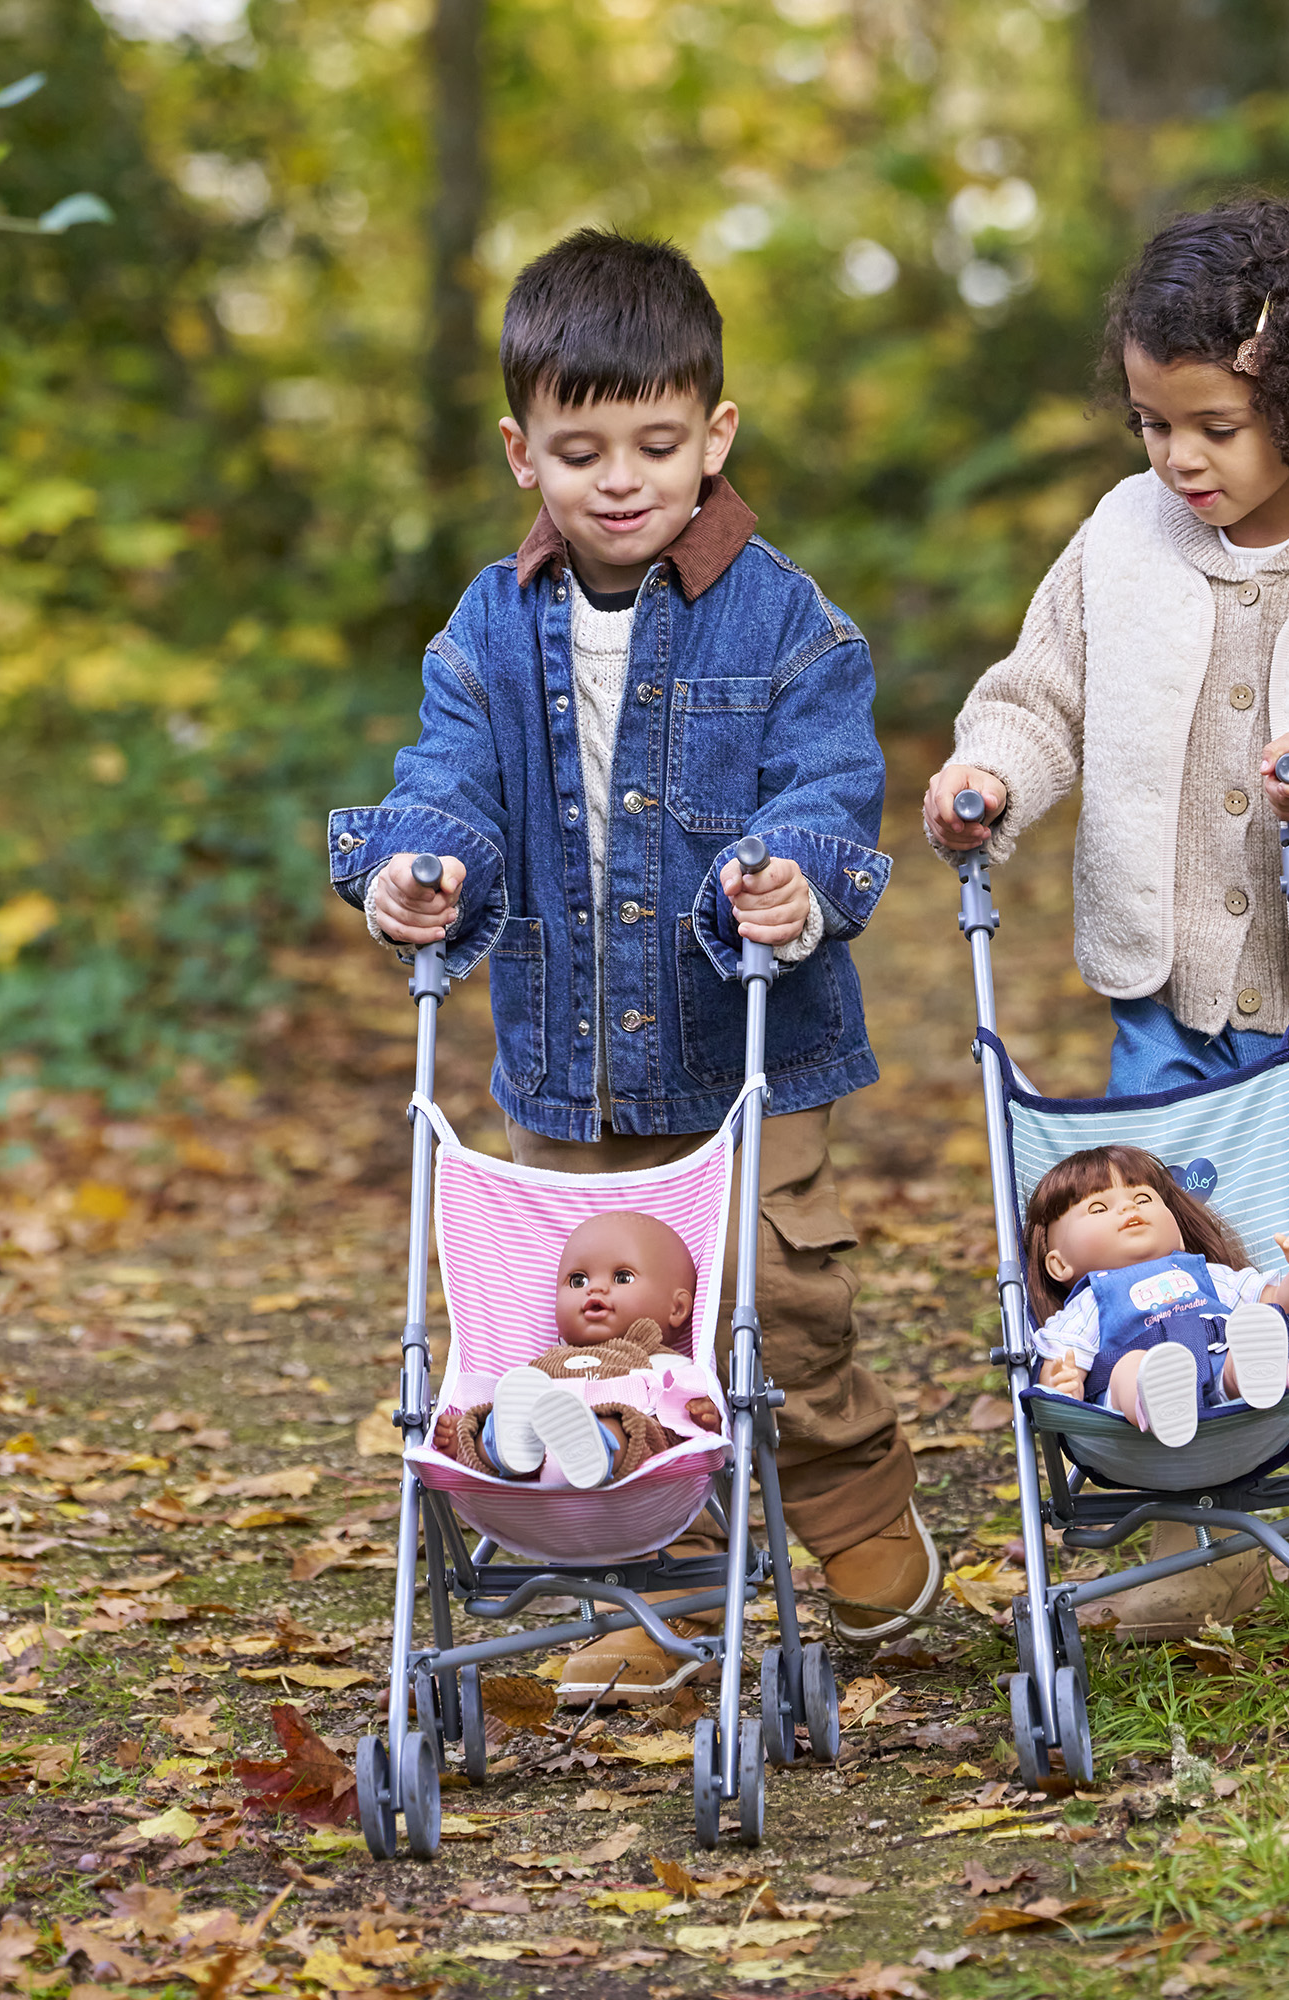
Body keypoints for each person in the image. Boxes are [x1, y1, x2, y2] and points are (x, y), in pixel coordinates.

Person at [333, 229, 936, 1697]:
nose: (620, 478)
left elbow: (824, 777)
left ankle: (856, 1505)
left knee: (773, 1303)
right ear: (520, 450)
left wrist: (792, 869)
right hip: (568, 1061)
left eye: (657, 444)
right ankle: (654, 1590)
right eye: (580, 446)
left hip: (749, 1047)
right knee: (594, 1329)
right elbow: (450, 776)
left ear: (715, 433)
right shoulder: (491, 623)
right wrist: (421, 862)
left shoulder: (787, 617)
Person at [924, 195, 1289, 1643]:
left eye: (1212, 427)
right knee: (1171, 1265)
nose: (1177, 459)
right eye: (1150, 425)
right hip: (1171, 992)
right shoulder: (1121, 540)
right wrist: (993, 772)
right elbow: (1041, 691)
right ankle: (1199, 1531)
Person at [1025, 1144, 1289, 1446]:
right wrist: (1062, 1383)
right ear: (1060, 1264)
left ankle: (1253, 1375)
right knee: (1130, 1369)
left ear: (1178, 1234)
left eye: (1142, 1198)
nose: (1129, 1208)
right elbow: (1060, 1361)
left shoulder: (1207, 1274)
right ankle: (1158, 1399)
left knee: (1254, 1327)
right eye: (1099, 1208)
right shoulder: (1091, 1301)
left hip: (1223, 1387)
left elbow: (1282, 1306)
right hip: (1133, 1412)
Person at [431, 1211, 723, 1490]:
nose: (594, 1289)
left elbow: (684, 1413)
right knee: (504, 1418)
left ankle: (594, 1444)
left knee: (631, 1428)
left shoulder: (664, 1362)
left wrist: (704, 1415)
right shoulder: (545, 1362)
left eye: (621, 1277)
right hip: (534, 1450)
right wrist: (469, 1428)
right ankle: (498, 1448)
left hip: (623, 1460)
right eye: (577, 1280)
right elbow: (504, 1401)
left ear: (678, 1308)